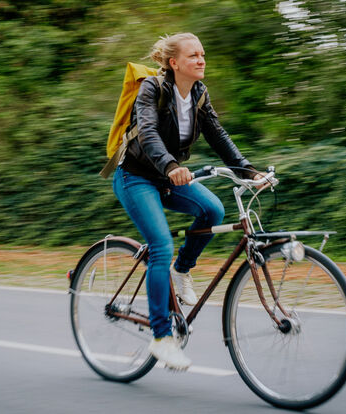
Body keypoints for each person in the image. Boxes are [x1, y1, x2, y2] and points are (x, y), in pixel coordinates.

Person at [112, 33, 261, 370]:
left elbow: (218, 135)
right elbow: (148, 132)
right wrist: (171, 166)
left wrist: (249, 172)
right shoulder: (152, 89)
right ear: (174, 63)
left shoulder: (198, 94)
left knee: (212, 210)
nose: (201, 59)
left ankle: (182, 271)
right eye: (193, 55)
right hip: (135, 176)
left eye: (203, 54)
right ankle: (162, 338)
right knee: (161, 245)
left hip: (168, 175)